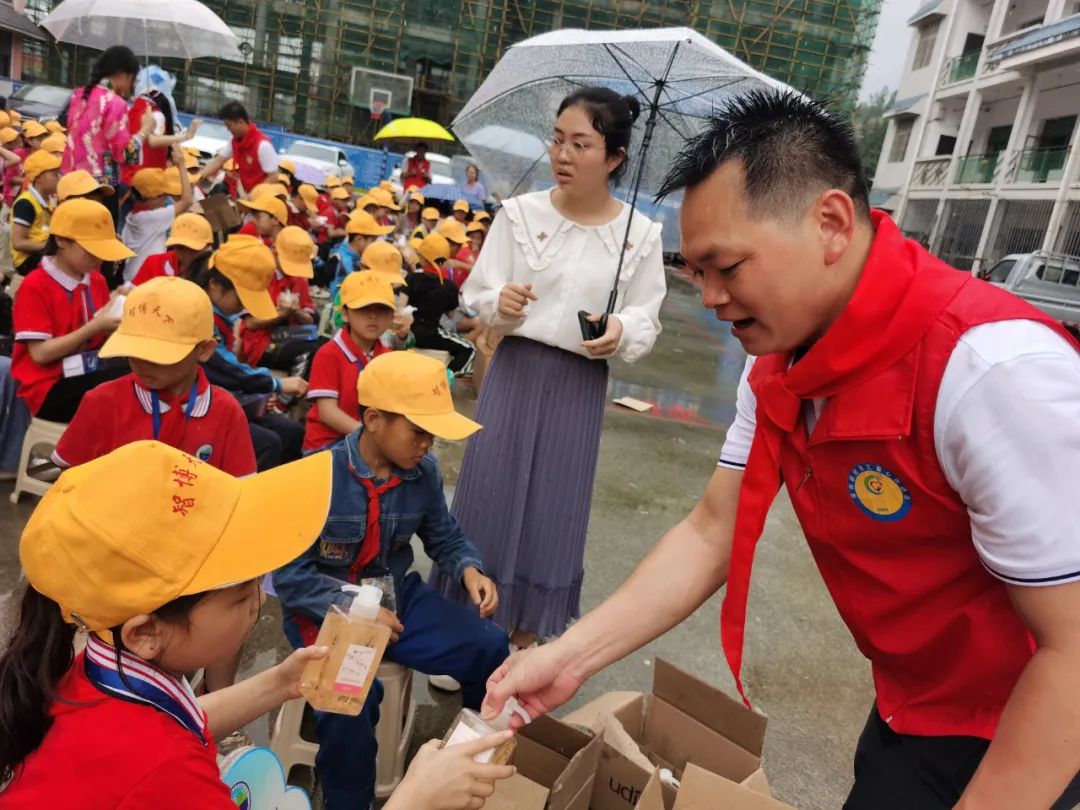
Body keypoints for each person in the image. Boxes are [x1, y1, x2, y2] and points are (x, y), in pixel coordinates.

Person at [484, 89, 1080, 810]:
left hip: (1025, 724)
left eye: (727, 267)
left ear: (830, 223)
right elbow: (713, 528)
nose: (709, 297)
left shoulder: (993, 374)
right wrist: (567, 657)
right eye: (695, 271)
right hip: (910, 699)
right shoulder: (778, 362)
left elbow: (1073, 651)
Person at [430, 88, 665, 648]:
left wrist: (620, 328)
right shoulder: (519, 214)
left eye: (581, 144)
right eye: (558, 140)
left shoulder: (640, 236)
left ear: (615, 158)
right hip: (514, 371)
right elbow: (477, 291)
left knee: (554, 505)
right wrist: (500, 302)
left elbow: (647, 318)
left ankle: (527, 633)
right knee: (489, 491)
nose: (563, 154)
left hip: (579, 383)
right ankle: (466, 628)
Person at [273, 351, 508, 810]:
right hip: (324, 610)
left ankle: (471, 757)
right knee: (350, 702)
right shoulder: (315, 475)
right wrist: (353, 606)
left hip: (395, 596)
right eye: (418, 431)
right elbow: (291, 579)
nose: (427, 445)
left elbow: (444, 534)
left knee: (490, 645)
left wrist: (469, 568)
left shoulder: (424, 473)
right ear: (374, 420)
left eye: (432, 435)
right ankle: (349, 802)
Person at [12, 199, 133, 421]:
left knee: (145, 371)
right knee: (128, 385)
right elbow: (40, 354)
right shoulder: (36, 285)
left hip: (88, 369)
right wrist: (94, 327)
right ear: (60, 240)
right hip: (48, 386)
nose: (98, 259)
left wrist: (116, 311)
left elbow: (99, 339)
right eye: (91, 251)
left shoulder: (95, 279)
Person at [197, 234, 307, 470]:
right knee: (267, 444)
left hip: (222, 397)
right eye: (241, 297)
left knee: (292, 432)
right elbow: (223, 368)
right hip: (195, 405)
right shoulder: (198, 315)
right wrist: (275, 384)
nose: (244, 305)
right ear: (215, 284)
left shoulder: (222, 316)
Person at [303, 271, 398, 453]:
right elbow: (328, 413)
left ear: (391, 318)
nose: (373, 316)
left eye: (381, 309)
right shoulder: (329, 354)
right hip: (327, 444)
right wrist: (371, 438)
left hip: (368, 438)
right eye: (363, 308)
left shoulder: (387, 356)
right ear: (345, 314)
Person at [62, 45, 155, 187]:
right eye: (133, 79)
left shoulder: (78, 95)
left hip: (69, 179)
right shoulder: (115, 103)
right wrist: (145, 130)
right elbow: (124, 155)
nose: (133, 85)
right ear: (122, 74)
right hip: (98, 186)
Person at [240, 225, 320, 373]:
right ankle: (292, 387)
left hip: (291, 334)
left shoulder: (299, 278)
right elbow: (250, 323)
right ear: (274, 252)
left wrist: (296, 311)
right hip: (261, 342)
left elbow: (309, 320)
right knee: (309, 351)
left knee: (324, 346)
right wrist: (281, 314)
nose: (293, 271)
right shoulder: (259, 275)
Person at [404, 231, 475, 375]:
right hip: (431, 335)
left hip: (407, 334)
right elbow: (451, 314)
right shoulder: (449, 285)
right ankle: (447, 377)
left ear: (422, 257)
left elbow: (402, 305)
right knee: (469, 349)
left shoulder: (410, 278)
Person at [121, 147, 194, 282]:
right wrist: (181, 165)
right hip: (143, 278)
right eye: (162, 195)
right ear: (150, 198)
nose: (166, 197)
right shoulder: (150, 218)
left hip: (132, 274)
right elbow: (187, 200)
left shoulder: (133, 214)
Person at [121, 65, 200, 188]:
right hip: (148, 181)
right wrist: (186, 136)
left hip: (127, 176)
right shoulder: (155, 114)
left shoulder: (130, 111)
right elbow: (153, 141)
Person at [198, 101, 278, 196]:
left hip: (261, 197)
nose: (228, 130)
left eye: (229, 126)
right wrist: (196, 178)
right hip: (246, 195)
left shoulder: (262, 145)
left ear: (240, 122)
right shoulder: (235, 142)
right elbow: (218, 161)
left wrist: (253, 196)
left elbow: (273, 177)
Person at [10, 150, 61, 276]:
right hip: (27, 259)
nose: (59, 178)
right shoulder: (26, 203)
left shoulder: (50, 198)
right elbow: (18, 242)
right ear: (38, 177)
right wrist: (50, 246)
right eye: (55, 174)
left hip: (43, 251)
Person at [131, 212, 214, 285]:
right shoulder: (154, 264)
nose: (186, 254)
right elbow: (134, 293)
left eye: (193, 249)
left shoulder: (215, 271)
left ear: (208, 247)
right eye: (180, 248)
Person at [325, 211, 393, 295]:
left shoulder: (353, 253)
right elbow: (361, 290)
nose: (376, 243)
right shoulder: (347, 262)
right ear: (359, 239)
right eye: (373, 240)